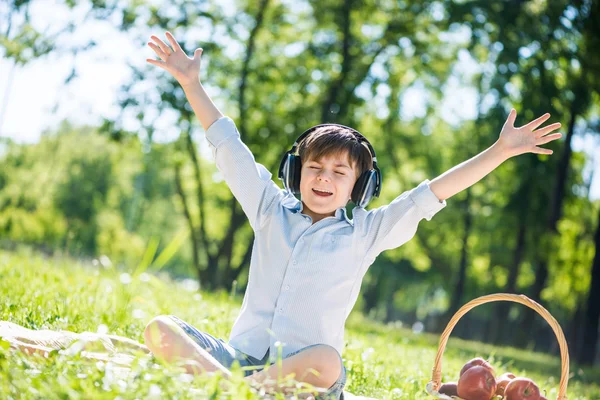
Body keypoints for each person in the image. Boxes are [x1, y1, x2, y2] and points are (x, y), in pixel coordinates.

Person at [145, 31, 562, 399]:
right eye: (315, 168)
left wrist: (500, 150)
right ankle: (243, 392)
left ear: (359, 187)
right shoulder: (269, 208)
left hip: (307, 379)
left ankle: (225, 392)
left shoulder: (366, 232)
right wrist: (191, 83)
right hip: (240, 360)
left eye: (339, 172)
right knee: (161, 328)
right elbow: (229, 148)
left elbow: (433, 191)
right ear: (296, 172)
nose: (324, 179)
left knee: (328, 359)